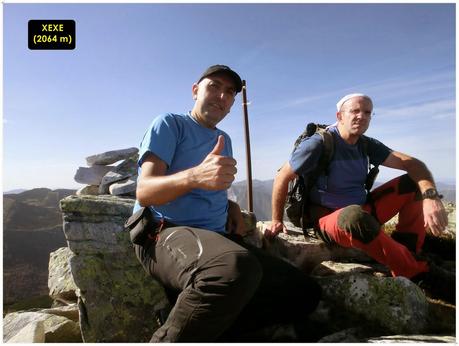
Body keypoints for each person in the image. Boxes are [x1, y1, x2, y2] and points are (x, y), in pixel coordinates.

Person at [133, 65, 321, 342]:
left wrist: (231, 205)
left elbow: (219, 184)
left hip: (215, 236)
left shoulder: (224, 139)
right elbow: (145, 191)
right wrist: (195, 176)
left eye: (229, 92)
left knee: (304, 293)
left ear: (232, 104)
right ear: (196, 91)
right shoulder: (170, 124)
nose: (221, 96)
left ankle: (192, 320)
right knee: (235, 267)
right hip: (163, 231)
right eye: (214, 87)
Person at [266, 93, 455, 303]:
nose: (361, 116)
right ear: (340, 115)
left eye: (367, 112)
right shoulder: (318, 144)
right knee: (354, 217)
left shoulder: (366, 144)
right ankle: (420, 273)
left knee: (412, 183)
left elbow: (413, 164)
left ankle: (408, 250)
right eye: (355, 111)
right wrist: (276, 220)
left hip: (362, 209)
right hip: (328, 218)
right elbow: (283, 175)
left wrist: (430, 196)